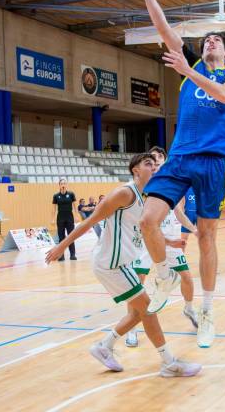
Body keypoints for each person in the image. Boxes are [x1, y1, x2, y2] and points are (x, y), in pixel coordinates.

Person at [139, 0, 225, 348]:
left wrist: (187, 70)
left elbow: (222, 95)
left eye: (216, 41)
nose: (209, 42)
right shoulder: (191, 62)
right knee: (147, 220)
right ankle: (164, 273)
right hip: (181, 155)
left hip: (214, 160)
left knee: (206, 238)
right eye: (206, 41)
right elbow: (162, 26)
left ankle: (208, 311)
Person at [44, 153, 201, 378]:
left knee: (139, 313)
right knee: (148, 309)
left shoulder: (147, 197)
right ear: (135, 170)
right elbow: (90, 221)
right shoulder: (124, 193)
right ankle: (169, 363)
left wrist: (168, 241)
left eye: (155, 164)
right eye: (148, 164)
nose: (154, 167)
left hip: (121, 263)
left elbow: (141, 228)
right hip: (109, 263)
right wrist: (61, 246)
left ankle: (104, 347)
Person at [125, 147, 199, 348]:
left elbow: (179, 213)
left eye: (159, 159)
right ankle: (131, 330)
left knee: (186, 277)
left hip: (169, 239)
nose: (155, 163)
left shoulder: (169, 186)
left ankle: (190, 309)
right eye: (152, 160)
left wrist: (194, 229)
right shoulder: (139, 188)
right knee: (136, 285)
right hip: (146, 241)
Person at [52, 178, 77, 261]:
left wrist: (76, 216)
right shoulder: (56, 196)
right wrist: (52, 219)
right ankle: (61, 256)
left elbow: (74, 206)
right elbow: (54, 209)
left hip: (69, 217)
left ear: (66, 185)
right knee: (61, 237)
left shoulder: (71, 194)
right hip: (60, 218)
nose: (63, 185)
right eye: (61, 183)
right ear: (59, 185)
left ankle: (72, 254)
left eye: (64, 183)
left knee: (71, 236)